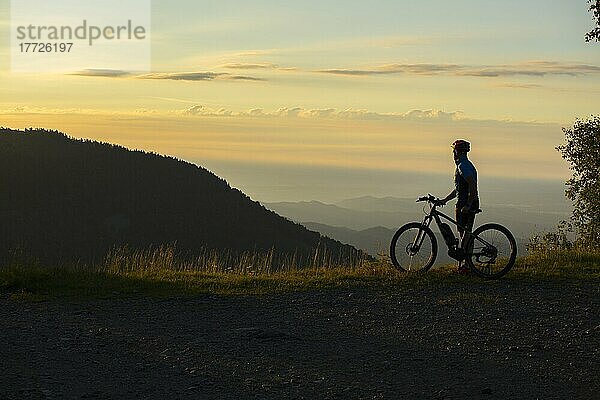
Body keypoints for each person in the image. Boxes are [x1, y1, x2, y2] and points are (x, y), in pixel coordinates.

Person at [439, 139, 479, 274]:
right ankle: (465, 265)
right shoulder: (465, 165)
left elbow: (472, 184)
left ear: (457, 152)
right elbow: (458, 189)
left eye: (453, 151)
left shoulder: (463, 166)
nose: (453, 154)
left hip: (465, 203)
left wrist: (468, 204)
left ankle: (466, 266)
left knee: (466, 233)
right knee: (464, 234)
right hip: (464, 202)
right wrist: (445, 200)